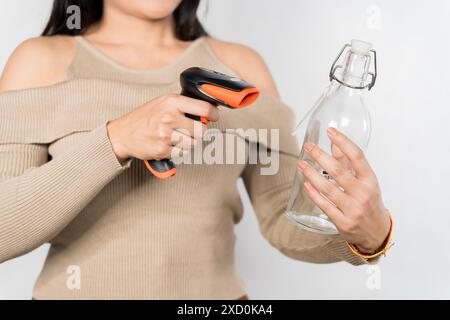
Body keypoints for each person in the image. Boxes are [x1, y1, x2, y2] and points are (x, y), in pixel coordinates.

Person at [0, 0, 391, 299]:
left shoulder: (241, 66)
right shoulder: (40, 61)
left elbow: (284, 219)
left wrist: (366, 236)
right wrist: (114, 141)